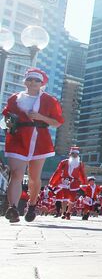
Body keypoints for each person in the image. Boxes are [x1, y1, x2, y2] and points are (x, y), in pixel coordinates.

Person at [2, 68, 64, 223]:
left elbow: (57, 122)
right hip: (17, 138)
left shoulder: (49, 100)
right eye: (30, 79)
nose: (33, 83)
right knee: (16, 174)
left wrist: (40, 117)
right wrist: (9, 121)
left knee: (34, 178)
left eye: (37, 80)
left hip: (39, 140)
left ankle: (31, 205)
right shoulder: (14, 98)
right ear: (25, 81)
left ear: (42, 83)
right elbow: (5, 118)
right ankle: (13, 208)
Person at [48, 146, 86, 219]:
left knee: (72, 198)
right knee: (65, 198)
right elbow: (57, 172)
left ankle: (68, 212)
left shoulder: (80, 164)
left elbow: (82, 174)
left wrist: (84, 184)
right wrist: (52, 182)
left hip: (74, 183)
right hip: (65, 182)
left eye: (76, 154)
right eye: (73, 154)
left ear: (78, 155)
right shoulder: (64, 162)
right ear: (70, 154)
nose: (74, 155)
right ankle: (63, 213)